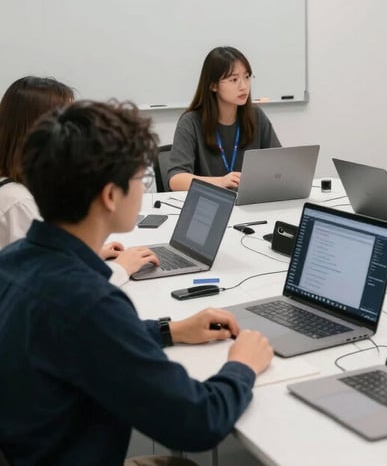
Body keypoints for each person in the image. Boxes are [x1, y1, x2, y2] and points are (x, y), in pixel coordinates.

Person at [0, 100, 273, 465]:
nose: (143, 189)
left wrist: (170, 330)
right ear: (110, 196)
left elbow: (81, 339)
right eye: (139, 178)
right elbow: (199, 421)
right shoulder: (89, 303)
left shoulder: (13, 262)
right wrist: (242, 365)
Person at [0, 76, 158, 283]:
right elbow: (52, 286)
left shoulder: (16, 188)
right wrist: (119, 269)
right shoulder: (19, 203)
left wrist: (85, 253)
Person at [168, 46, 281, 191]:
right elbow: (176, 179)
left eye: (247, 77)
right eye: (234, 79)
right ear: (214, 85)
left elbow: (279, 164)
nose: (244, 86)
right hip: (209, 205)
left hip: (249, 205)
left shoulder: (255, 116)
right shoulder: (191, 122)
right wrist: (220, 182)